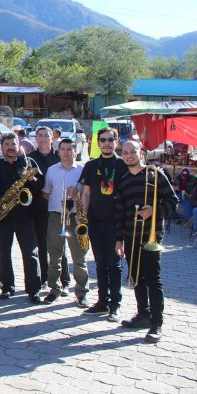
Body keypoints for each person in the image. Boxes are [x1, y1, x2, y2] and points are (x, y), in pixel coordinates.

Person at [115, 141, 178, 342]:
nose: (129, 156)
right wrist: (118, 240)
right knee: (136, 277)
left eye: (132, 152)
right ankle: (143, 314)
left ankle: (156, 323)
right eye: (125, 153)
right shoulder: (123, 180)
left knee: (153, 279)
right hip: (130, 235)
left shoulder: (155, 174)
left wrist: (154, 211)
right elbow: (120, 211)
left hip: (151, 235)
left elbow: (172, 201)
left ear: (140, 153)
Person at [78, 127, 128, 321]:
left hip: (116, 223)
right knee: (100, 264)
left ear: (116, 142)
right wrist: (82, 216)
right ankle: (102, 302)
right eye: (103, 140)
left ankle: (115, 304)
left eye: (110, 140)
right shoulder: (91, 166)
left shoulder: (123, 165)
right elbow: (87, 193)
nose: (106, 143)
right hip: (95, 222)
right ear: (97, 143)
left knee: (114, 265)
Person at [0, 133, 42, 304]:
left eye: (14, 144)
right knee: (3, 254)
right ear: (1, 147)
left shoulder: (28, 163)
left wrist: (30, 177)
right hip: (3, 216)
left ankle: (34, 290)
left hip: (25, 216)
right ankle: (7, 287)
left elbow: (40, 185)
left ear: (19, 146)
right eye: (7, 144)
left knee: (31, 254)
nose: (11, 147)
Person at [41, 138, 89, 306]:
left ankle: (82, 292)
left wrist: (76, 195)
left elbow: (87, 194)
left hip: (75, 217)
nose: (66, 152)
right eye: (63, 149)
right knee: (54, 256)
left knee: (79, 257)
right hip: (56, 216)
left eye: (70, 149)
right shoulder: (52, 170)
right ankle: (54, 289)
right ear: (58, 151)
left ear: (75, 151)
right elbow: (46, 193)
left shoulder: (83, 170)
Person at [28, 126, 70, 295]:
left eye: (47, 135)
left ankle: (64, 280)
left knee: (60, 245)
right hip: (38, 208)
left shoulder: (59, 156)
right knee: (42, 245)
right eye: (40, 135)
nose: (44, 138)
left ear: (52, 138)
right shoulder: (29, 159)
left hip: (58, 208)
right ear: (35, 138)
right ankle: (45, 278)